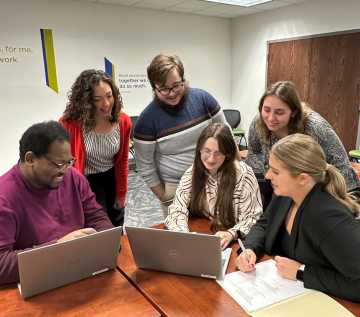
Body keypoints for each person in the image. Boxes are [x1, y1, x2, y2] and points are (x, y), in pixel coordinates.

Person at [236, 134, 360, 302]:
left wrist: (301, 272)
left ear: (302, 178)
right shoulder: (286, 193)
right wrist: (250, 248)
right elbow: (265, 224)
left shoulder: (329, 218)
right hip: (289, 293)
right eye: (269, 167)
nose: (267, 176)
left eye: (276, 171)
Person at [0, 121, 113, 286]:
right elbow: (2, 264)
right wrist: (59, 248)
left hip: (81, 266)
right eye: (59, 164)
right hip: (38, 282)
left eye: (69, 162)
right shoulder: (5, 199)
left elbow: (95, 215)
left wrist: (107, 242)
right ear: (30, 159)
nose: (66, 170)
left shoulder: (73, 177)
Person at [134, 54, 234, 218]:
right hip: (175, 186)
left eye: (176, 85)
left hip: (214, 180)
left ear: (183, 79)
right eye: (164, 89)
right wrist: (163, 195)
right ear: (154, 88)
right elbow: (144, 164)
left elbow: (226, 133)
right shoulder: (147, 120)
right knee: (180, 239)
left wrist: (233, 167)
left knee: (217, 231)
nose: (172, 93)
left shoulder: (203, 99)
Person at [245, 81, 360, 208]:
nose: (271, 118)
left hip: (318, 192)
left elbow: (342, 167)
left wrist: (347, 206)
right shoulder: (259, 123)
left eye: (279, 112)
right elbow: (254, 153)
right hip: (281, 189)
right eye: (266, 110)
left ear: (294, 112)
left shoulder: (316, 127)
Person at [165, 123, 262, 250]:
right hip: (203, 232)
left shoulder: (244, 175)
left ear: (228, 154)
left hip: (232, 242)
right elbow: (177, 209)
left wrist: (231, 234)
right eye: (207, 150)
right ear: (199, 148)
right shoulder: (193, 172)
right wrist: (183, 233)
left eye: (218, 153)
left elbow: (252, 218)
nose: (211, 158)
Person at [60, 69, 131, 226]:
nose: (106, 104)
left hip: (111, 175)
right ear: (86, 101)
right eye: (97, 99)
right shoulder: (69, 123)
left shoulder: (123, 121)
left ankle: (118, 251)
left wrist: (121, 193)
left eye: (109, 96)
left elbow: (123, 160)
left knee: (117, 222)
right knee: (99, 225)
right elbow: (66, 165)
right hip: (86, 179)